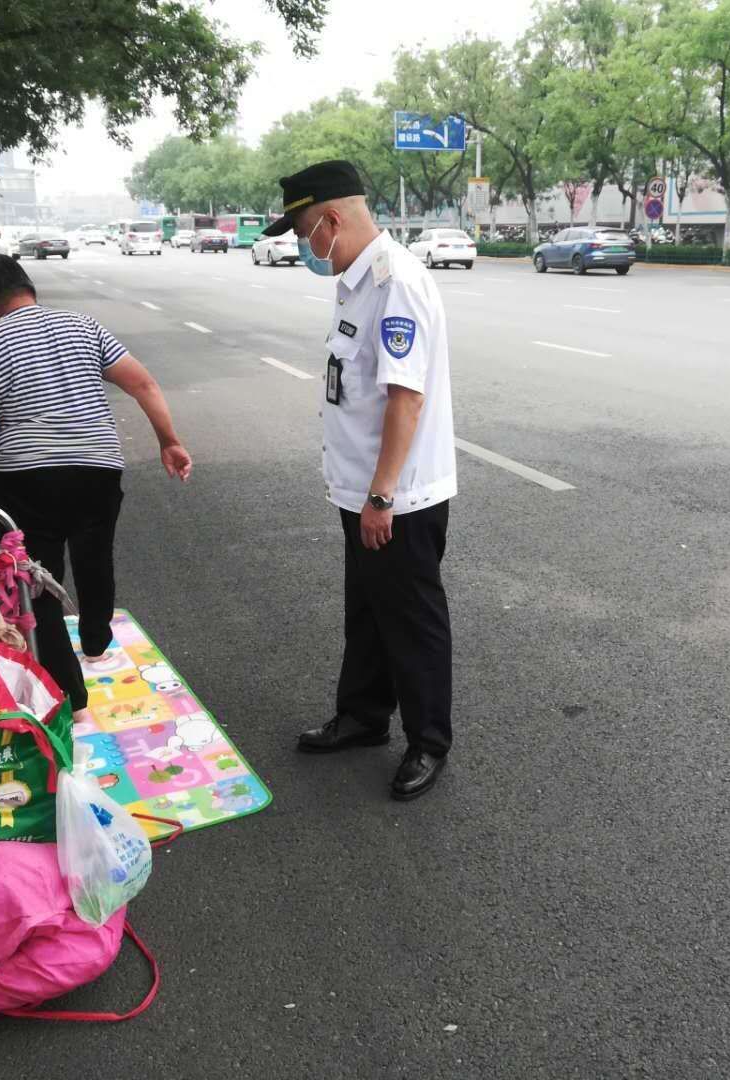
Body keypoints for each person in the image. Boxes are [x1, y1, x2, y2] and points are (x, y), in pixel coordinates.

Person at [263, 160, 456, 801]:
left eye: (302, 230)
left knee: (411, 618)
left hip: (395, 497)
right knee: (368, 610)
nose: (301, 244)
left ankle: (429, 742)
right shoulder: (356, 279)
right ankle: (364, 717)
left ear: (333, 218)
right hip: (361, 492)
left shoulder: (395, 282)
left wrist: (381, 498)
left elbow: (405, 400)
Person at [0, 255, 192, 724]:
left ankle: (73, 701)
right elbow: (143, 383)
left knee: (35, 581)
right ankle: (97, 641)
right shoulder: (84, 326)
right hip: (97, 468)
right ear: (28, 289)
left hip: (25, 480)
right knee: (95, 554)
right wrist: (170, 442)